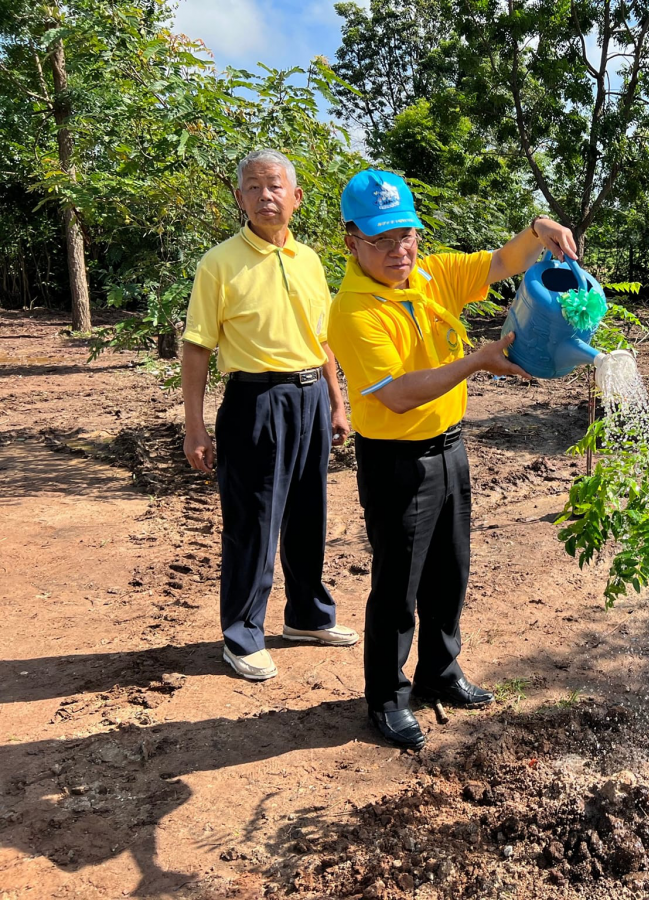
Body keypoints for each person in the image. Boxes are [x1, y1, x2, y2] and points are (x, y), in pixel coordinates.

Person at [327, 169, 578, 750]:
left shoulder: (433, 272)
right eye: (381, 240)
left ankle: (439, 673)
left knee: (449, 570)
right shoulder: (353, 310)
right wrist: (476, 362)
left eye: (405, 235)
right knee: (397, 584)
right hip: (396, 459)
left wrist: (539, 230)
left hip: (449, 447)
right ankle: (386, 699)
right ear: (352, 243)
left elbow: (498, 263)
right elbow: (396, 393)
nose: (399, 251)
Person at [181, 149, 358, 682]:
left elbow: (322, 339)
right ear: (239, 198)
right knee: (253, 522)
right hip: (255, 402)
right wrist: (195, 427)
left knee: (309, 514)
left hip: (309, 400)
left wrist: (336, 400)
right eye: (253, 187)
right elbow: (196, 349)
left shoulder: (310, 261)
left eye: (275, 186)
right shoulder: (218, 263)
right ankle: (242, 634)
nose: (265, 196)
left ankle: (306, 616)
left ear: (296, 197)